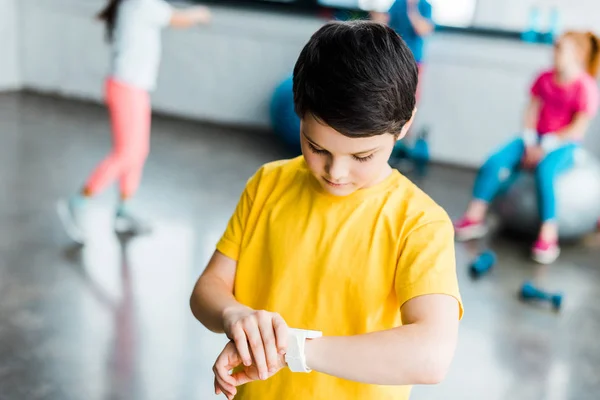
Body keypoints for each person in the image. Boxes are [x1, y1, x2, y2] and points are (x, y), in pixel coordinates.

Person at [189, 21, 463, 400]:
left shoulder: (419, 223)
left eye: (362, 156)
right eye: (317, 148)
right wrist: (232, 315)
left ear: (405, 124)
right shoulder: (268, 183)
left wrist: (293, 350)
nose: (336, 172)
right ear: (298, 112)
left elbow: (432, 354)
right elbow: (208, 288)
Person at [57, 0, 211, 244]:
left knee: (138, 152)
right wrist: (200, 13)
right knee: (126, 153)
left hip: (134, 89)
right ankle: (79, 202)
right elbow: (179, 19)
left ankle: (123, 213)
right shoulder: (141, 4)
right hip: (126, 89)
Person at [455, 31, 600, 264]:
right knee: (495, 161)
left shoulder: (586, 87)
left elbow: (578, 128)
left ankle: (548, 235)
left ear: (578, 55)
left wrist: (547, 146)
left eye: (560, 49)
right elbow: (531, 110)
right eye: (555, 48)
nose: (554, 53)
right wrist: (531, 140)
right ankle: (475, 217)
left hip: (564, 144)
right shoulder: (543, 78)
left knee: (545, 172)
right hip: (535, 138)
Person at [371, 0, 434, 159]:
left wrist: (412, 9)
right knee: (388, 99)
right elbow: (385, 24)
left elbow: (423, 29)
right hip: (394, 60)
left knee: (409, 103)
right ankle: (385, 144)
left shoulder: (425, 6)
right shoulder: (397, 3)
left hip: (414, 63)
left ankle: (403, 146)